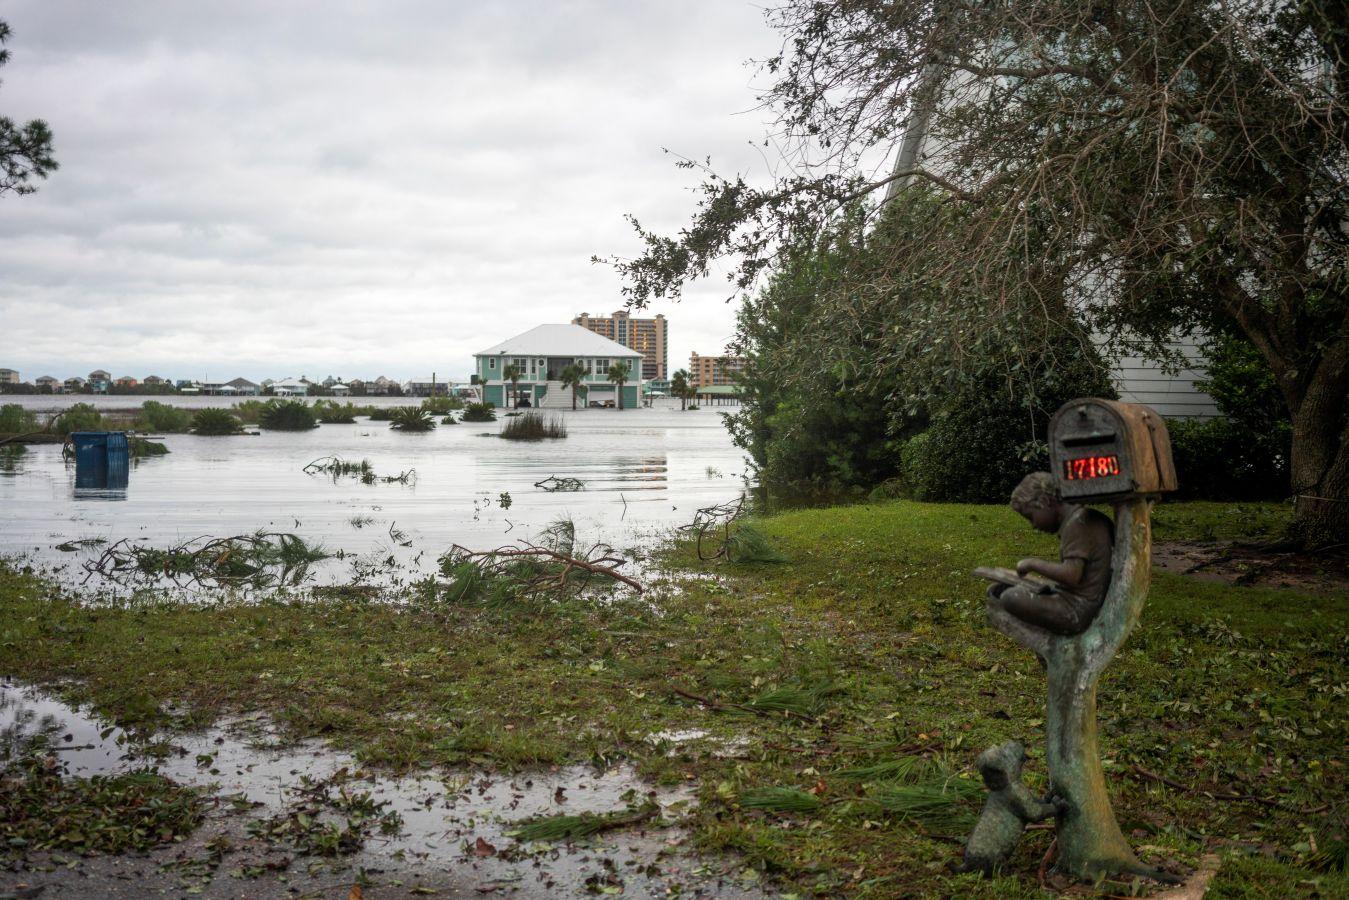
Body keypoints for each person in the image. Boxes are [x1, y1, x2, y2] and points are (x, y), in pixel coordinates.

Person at [988, 472, 1114, 636]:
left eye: (1031, 517)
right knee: (999, 589)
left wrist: (1032, 564)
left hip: (1077, 610)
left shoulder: (1078, 524)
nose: (1033, 526)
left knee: (1011, 597)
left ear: (1045, 501)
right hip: (1081, 600)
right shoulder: (1082, 519)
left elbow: (1071, 575)